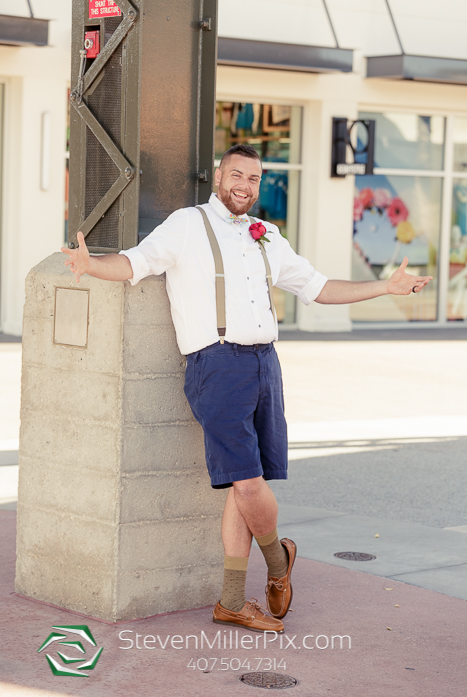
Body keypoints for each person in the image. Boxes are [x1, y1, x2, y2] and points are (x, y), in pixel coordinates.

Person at [62, 144, 432, 634]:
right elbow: (136, 262)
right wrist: (91, 266)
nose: (245, 185)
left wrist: (384, 287)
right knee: (248, 482)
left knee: (246, 484)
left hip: (265, 365)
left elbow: (317, 288)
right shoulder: (187, 224)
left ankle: (232, 601)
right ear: (218, 177)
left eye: (254, 179)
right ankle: (278, 560)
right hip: (216, 365)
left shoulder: (267, 236)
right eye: (236, 175)